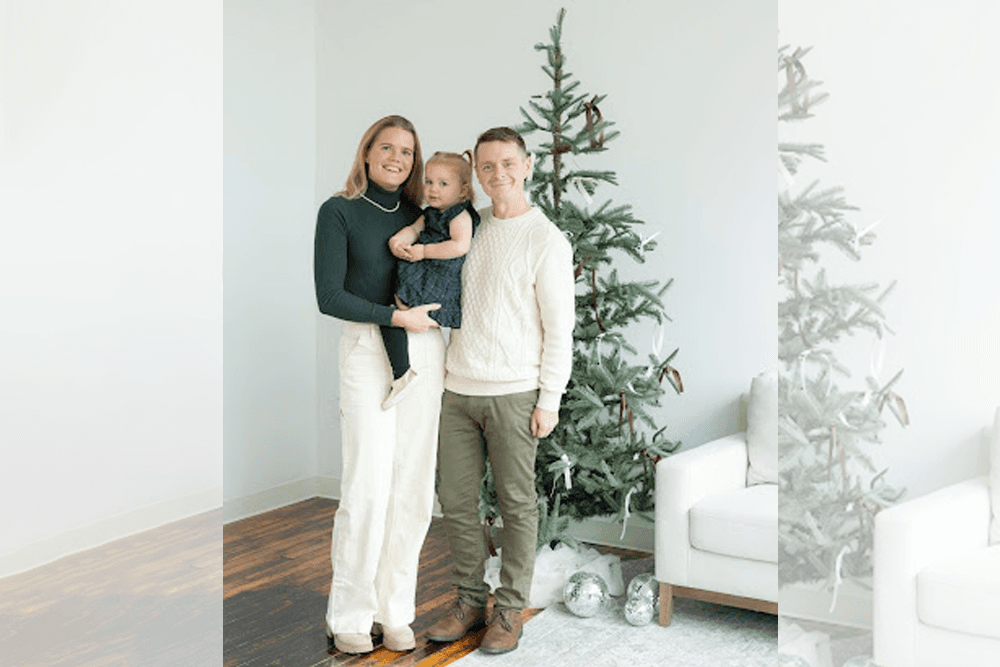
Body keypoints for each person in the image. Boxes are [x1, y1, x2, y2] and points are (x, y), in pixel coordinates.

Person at [426, 127, 576, 655]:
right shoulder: (471, 227)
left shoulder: (546, 240)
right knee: (457, 504)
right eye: (487, 167)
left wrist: (549, 400)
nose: (498, 176)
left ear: (527, 165)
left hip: (516, 393)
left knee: (517, 505)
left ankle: (509, 611)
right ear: (476, 172)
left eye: (508, 164)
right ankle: (470, 602)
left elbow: (560, 330)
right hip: (457, 389)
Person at [313, 114, 445, 655]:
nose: (397, 158)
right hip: (369, 348)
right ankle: (349, 612)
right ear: (366, 153)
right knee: (366, 485)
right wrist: (396, 320)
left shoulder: (423, 216)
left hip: (425, 352)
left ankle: (394, 610)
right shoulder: (338, 211)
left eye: (408, 152)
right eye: (386, 148)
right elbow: (330, 296)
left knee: (412, 487)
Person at [379, 150, 481, 410]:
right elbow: (414, 229)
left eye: (443, 184)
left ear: (462, 190)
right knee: (393, 304)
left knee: (402, 311)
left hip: (440, 275)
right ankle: (403, 368)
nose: (433, 190)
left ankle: (407, 368)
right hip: (422, 269)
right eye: (429, 182)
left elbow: (460, 246)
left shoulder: (460, 215)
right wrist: (398, 241)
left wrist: (424, 251)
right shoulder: (430, 213)